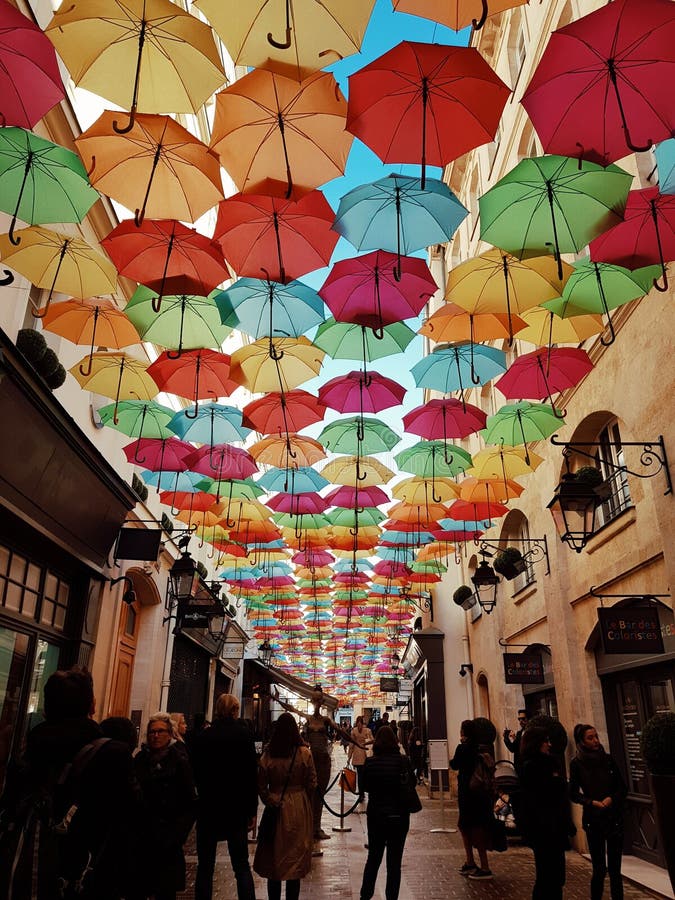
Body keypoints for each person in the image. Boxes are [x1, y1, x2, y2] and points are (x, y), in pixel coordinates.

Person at [0, 668, 138, 900]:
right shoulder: (113, 754)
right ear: (91, 706)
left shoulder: (26, 747)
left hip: (29, 868)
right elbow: (130, 819)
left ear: (46, 708)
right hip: (89, 873)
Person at [190, 694, 258, 900]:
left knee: (205, 867)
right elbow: (250, 775)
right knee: (241, 866)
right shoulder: (244, 735)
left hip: (209, 808)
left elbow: (196, 772)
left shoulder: (204, 737)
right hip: (235, 809)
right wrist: (252, 811)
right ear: (235, 711)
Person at [132, 712, 197, 900]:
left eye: (160, 731)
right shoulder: (140, 760)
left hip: (169, 837)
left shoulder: (179, 761)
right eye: (152, 732)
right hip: (143, 837)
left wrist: (178, 834)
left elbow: (190, 802)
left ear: (169, 734)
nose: (155, 735)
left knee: (165, 890)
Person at [254, 712, 317, 900]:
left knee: (274, 859)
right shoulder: (304, 753)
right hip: (298, 807)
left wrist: (269, 799)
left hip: (275, 807)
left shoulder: (269, 753)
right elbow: (312, 783)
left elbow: (260, 783)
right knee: (294, 859)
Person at [273, 685, 344, 841]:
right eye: (314, 699)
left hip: (324, 761)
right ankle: (310, 827)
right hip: (311, 762)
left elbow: (340, 731)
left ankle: (316, 828)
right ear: (312, 700)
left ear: (322, 701)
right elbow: (292, 708)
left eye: (319, 699)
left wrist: (358, 743)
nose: (316, 702)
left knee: (320, 796)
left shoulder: (326, 720)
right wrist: (277, 700)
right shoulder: (308, 719)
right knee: (310, 794)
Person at [570, 723, 627, 900]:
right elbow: (573, 793)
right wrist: (591, 802)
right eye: (590, 738)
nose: (595, 740)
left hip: (613, 818)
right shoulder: (577, 763)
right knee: (599, 869)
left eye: (596, 736)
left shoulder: (608, 759)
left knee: (616, 870)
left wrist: (611, 799)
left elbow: (622, 788)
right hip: (593, 820)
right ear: (581, 741)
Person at [359, 725, 415, 900]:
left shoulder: (370, 762)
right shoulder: (403, 761)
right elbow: (412, 783)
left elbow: (365, 787)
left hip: (376, 816)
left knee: (373, 859)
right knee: (394, 863)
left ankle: (365, 896)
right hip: (399, 816)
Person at [519, 725, 574, 900]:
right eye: (546, 741)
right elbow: (537, 799)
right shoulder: (531, 767)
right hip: (544, 829)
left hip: (554, 827)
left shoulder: (550, 763)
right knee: (547, 876)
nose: (549, 744)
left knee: (555, 876)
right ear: (537, 743)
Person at [449, 719, 495, 881]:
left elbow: (454, 765)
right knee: (471, 826)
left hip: (468, 793)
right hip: (480, 793)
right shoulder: (481, 748)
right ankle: (472, 862)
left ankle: (483, 866)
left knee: (470, 828)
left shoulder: (463, 748)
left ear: (464, 732)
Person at [348, 715, 374, 803]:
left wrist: (349, 757)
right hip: (362, 755)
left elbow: (351, 745)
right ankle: (362, 793)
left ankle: (362, 793)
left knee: (361, 776)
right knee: (361, 776)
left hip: (361, 755)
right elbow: (372, 740)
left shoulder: (355, 731)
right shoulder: (366, 730)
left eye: (360, 724)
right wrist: (349, 757)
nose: (359, 726)